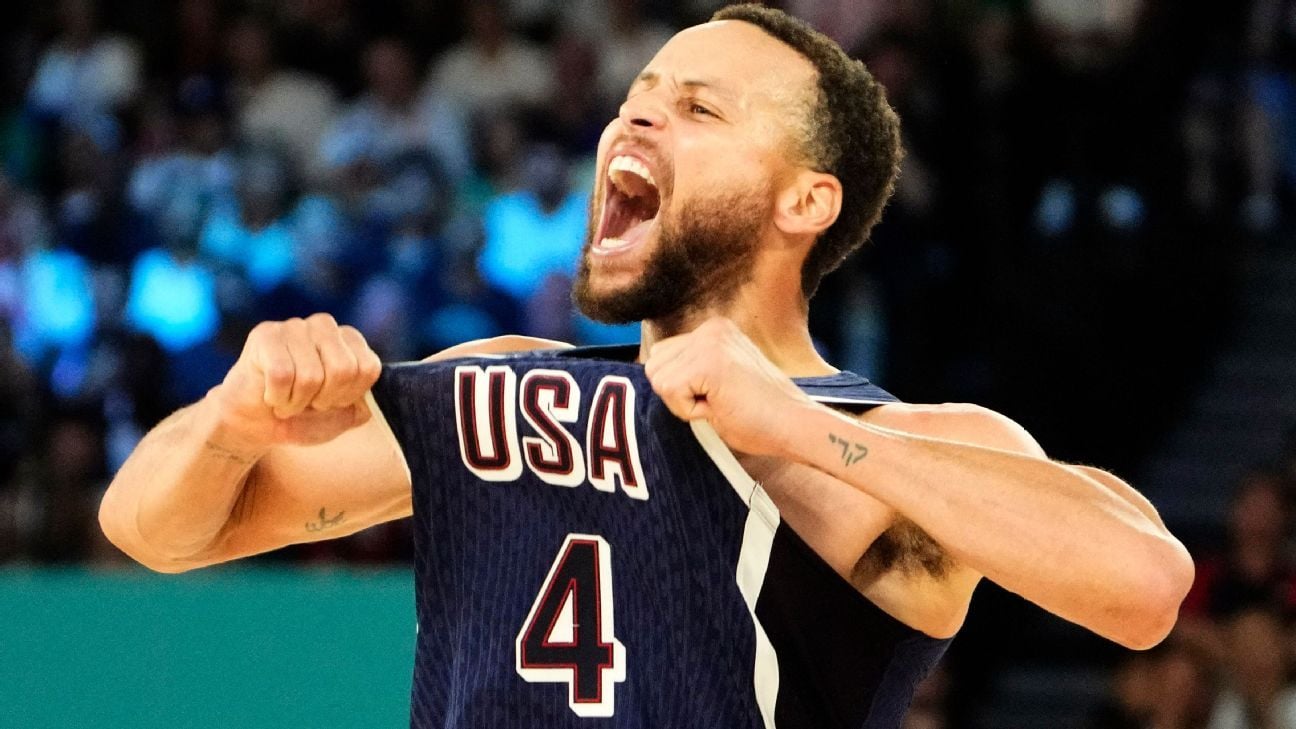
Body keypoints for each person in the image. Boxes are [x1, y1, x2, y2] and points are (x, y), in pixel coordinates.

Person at [98, 5, 1194, 727]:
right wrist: (232, 419)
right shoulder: (509, 384)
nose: (636, 118)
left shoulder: (877, 443)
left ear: (803, 202)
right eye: (639, 99)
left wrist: (801, 429)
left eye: (697, 108)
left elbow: (1145, 586)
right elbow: (155, 530)